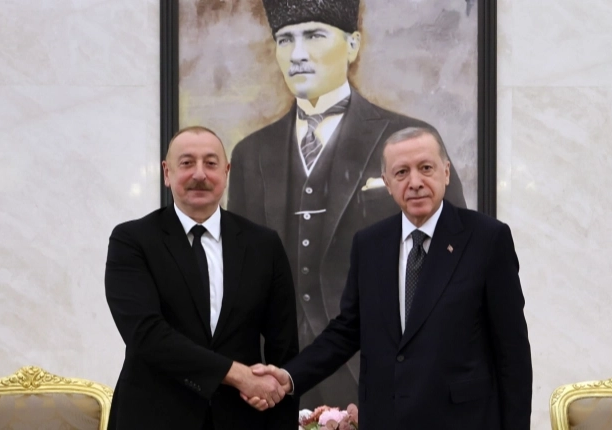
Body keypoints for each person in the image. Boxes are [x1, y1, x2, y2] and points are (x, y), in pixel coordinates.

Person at [228, 0, 467, 409]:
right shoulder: (251, 153)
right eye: (285, 40)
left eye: (314, 36)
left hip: (380, 368)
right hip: (281, 372)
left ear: (353, 45)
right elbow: (240, 273)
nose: (297, 54)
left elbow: (455, 260)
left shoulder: (411, 140)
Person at [249, 126, 533, 429]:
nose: (415, 182)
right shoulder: (370, 244)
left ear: (446, 172)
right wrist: (290, 376)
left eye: (426, 168)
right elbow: (347, 330)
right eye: (401, 172)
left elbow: (512, 352)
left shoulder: (487, 239)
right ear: (387, 183)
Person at [104, 126, 299, 430]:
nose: (199, 174)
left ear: (226, 172)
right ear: (167, 173)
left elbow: (283, 347)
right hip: (153, 417)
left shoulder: (263, 244)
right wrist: (238, 375)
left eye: (210, 163)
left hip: (243, 420)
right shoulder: (132, 240)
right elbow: (145, 334)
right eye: (186, 163)